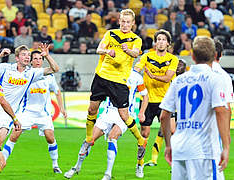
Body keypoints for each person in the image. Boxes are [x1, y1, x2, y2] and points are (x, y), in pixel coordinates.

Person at [71, 9, 146, 175]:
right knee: (92, 108)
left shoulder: (136, 39)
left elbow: (136, 53)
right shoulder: (111, 34)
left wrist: (127, 50)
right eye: (123, 21)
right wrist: (107, 51)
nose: (125, 24)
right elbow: (99, 49)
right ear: (119, 21)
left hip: (119, 81)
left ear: (133, 23)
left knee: (124, 114)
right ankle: (89, 137)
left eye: (128, 22)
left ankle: (141, 140)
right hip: (102, 76)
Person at [160, 36, 230, 180]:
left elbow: (164, 116)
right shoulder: (215, 79)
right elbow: (221, 111)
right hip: (204, 151)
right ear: (215, 55)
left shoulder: (179, 80)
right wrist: (226, 146)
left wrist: (168, 145)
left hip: (180, 150)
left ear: (192, 55)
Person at [64, 70, 149, 179]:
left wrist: (141, 112)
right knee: (88, 140)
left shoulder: (136, 77)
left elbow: (145, 95)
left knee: (112, 137)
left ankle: (108, 173)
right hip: (108, 112)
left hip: (126, 114)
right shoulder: (110, 72)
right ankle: (77, 167)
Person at [1, 50, 66, 173]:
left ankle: (55, 165)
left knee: (50, 137)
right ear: (30, 61)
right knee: (15, 134)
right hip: (27, 112)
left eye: (40, 59)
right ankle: (2, 161)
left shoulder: (49, 76)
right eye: (35, 58)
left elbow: (57, 91)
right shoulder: (28, 74)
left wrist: (61, 107)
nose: (37, 61)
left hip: (43, 114)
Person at [134, 29, 179, 172]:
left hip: (166, 102)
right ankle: (139, 164)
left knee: (173, 131)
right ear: (155, 42)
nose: (160, 42)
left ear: (168, 43)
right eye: (158, 39)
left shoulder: (173, 59)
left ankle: (176, 164)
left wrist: (152, 76)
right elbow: (137, 68)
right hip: (147, 101)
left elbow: (167, 77)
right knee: (144, 134)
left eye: (163, 40)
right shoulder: (147, 56)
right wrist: (135, 70)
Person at [213, 40, 234, 130]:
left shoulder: (193, 74)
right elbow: (227, 108)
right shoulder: (225, 76)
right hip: (216, 126)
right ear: (221, 55)